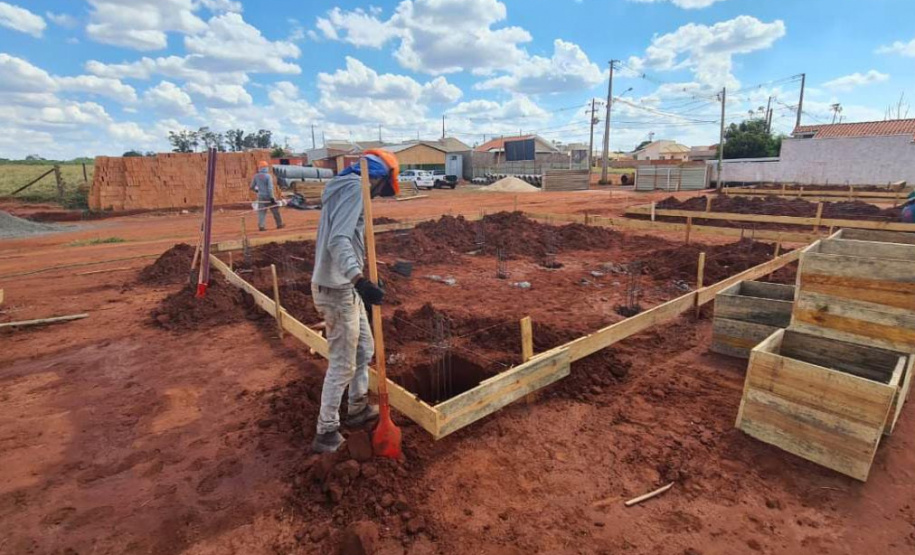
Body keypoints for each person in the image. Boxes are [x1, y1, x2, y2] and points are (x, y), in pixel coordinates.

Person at [310, 150, 400, 453]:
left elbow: (352, 237)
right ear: (375, 179)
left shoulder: (345, 187)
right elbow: (339, 239)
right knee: (343, 363)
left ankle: (357, 407)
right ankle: (326, 432)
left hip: (345, 285)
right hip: (336, 289)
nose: (377, 194)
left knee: (365, 348)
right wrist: (358, 279)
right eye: (380, 187)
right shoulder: (353, 189)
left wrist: (364, 277)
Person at [250, 161, 285, 231]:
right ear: (266, 167)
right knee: (275, 210)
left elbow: (251, 187)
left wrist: (257, 191)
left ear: (259, 168)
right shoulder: (268, 176)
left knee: (261, 212)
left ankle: (261, 226)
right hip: (269, 196)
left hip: (261, 196)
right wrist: (272, 197)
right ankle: (279, 224)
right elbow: (270, 188)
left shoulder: (256, 176)